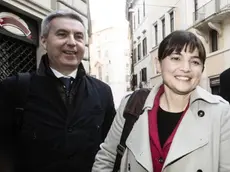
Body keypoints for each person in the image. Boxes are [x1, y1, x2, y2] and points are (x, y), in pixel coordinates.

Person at [92, 30, 230, 172]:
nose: (186, 68)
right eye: (176, 58)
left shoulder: (221, 113)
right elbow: (106, 159)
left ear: (201, 69)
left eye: (195, 61)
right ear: (158, 65)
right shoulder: (131, 106)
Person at [0, 10, 116, 172]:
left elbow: (110, 150)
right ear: (44, 41)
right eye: (62, 34)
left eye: (78, 36)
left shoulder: (103, 92)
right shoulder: (14, 88)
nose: (72, 42)